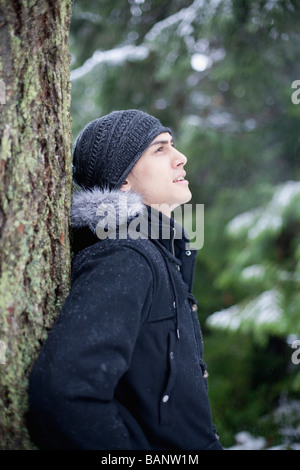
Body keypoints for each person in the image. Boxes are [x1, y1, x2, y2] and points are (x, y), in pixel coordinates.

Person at [27, 109, 223, 450]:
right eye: (159, 149)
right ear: (123, 180)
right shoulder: (126, 258)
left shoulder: (161, 254)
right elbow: (66, 392)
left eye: (172, 145)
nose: (181, 157)